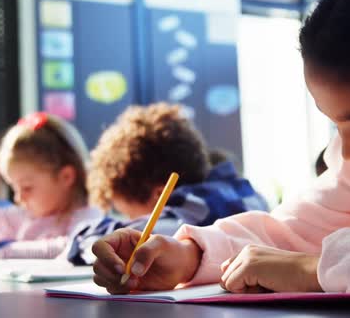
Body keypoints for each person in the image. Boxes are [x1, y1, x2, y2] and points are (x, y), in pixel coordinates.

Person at [90, 0, 350, 296]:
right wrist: (189, 257)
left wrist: (312, 269)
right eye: (336, 125)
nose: (349, 150)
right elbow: (292, 230)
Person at [65, 103, 268, 265]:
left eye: (130, 215)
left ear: (160, 195)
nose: (130, 222)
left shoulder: (193, 211)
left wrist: (81, 238)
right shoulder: (244, 192)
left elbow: (120, 243)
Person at [0, 112, 102, 258]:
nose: (19, 198)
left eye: (26, 187)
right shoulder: (28, 216)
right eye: (14, 188)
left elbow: (69, 247)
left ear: (66, 177)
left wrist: (3, 254)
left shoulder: (88, 219)